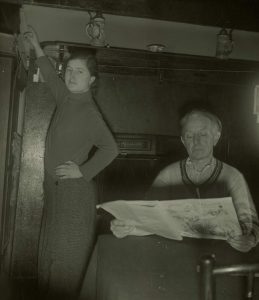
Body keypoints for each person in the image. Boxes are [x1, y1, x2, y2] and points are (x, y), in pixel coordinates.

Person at [24, 27, 119, 299]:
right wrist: (36, 45)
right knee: (50, 262)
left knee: (66, 265)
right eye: (69, 70)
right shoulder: (66, 97)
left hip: (75, 197)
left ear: (92, 80)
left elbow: (111, 148)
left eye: (79, 72)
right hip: (57, 193)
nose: (71, 75)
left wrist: (83, 170)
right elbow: (52, 76)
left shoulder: (89, 111)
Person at [111, 109, 259, 252]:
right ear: (183, 141)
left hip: (221, 253)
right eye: (189, 136)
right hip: (176, 253)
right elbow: (147, 216)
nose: (197, 141)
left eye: (203, 134)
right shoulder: (168, 175)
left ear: (216, 138)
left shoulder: (232, 176)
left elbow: (250, 220)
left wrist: (248, 238)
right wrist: (127, 227)